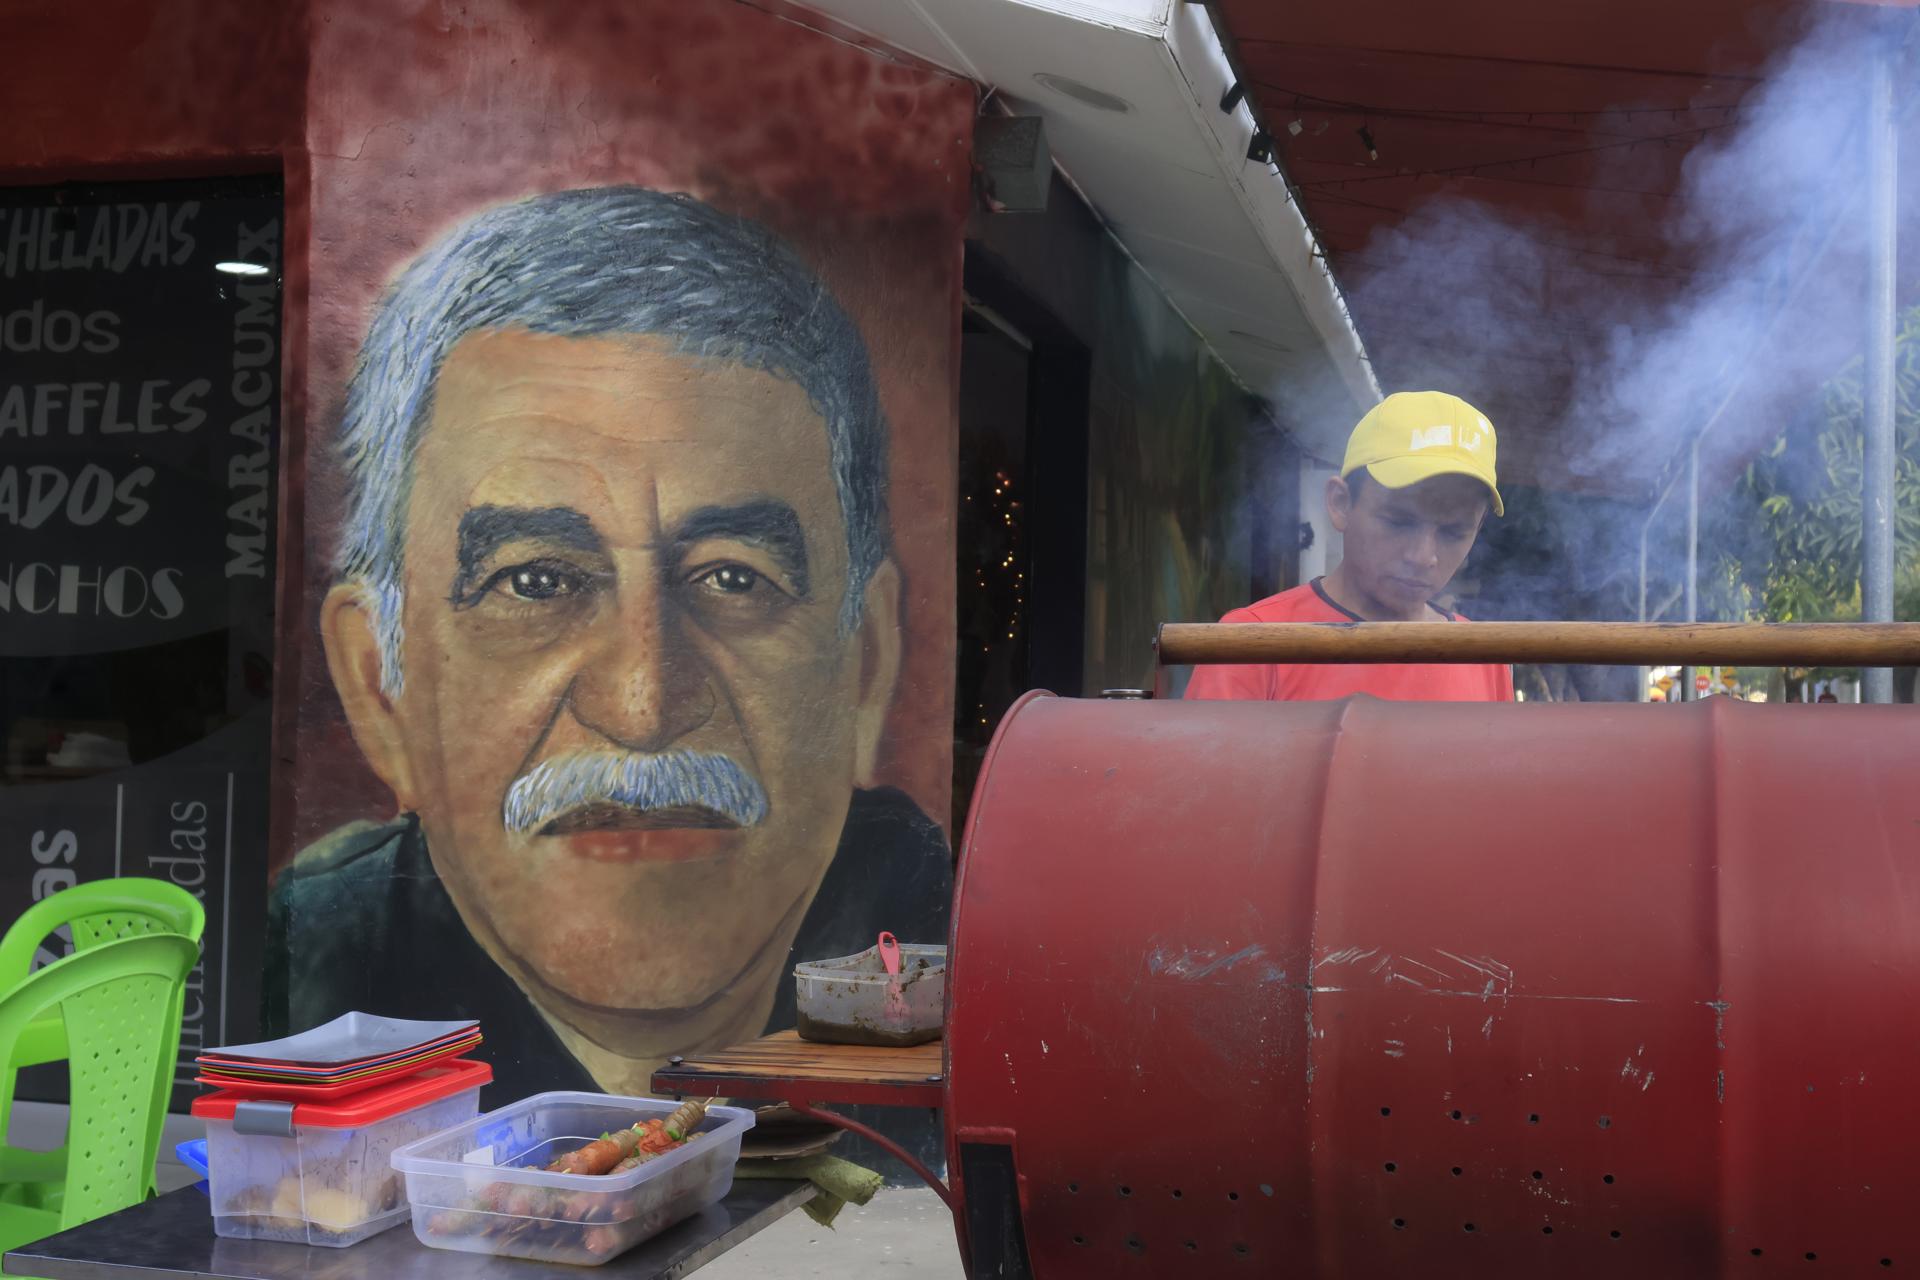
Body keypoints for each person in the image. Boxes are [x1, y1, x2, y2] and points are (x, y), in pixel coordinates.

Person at [261, 188, 951, 1114]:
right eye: (537, 582)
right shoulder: (303, 969)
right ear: (380, 685)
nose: (643, 700)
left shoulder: (966, 960)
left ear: (864, 666)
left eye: (733, 579)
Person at [1187, 391, 1513, 702]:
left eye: (1454, 532)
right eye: (1398, 521)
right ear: (1340, 503)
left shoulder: (1483, 656)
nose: (1423, 557)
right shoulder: (1251, 645)